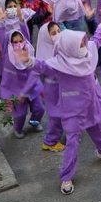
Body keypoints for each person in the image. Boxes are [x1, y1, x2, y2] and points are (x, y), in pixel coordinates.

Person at [21, 26, 101, 195]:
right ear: (70, 47)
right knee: (73, 141)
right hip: (73, 109)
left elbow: (96, 40)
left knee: (98, 129)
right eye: (80, 44)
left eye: (83, 42)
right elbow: (42, 66)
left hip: (91, 104)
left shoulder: (87, 55)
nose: (84, 46)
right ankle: (66, 176)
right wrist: (28, 60)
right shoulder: (60, 65)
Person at [0, 6, 44, 139]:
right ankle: (17, 129)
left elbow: (25, 32)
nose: (18, 44)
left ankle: (35, 122)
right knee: (20, 114)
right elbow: (2, 37)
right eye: (14, 42)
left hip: (31, 87)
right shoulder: (7, 51)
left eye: (20, 41)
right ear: (10, 43)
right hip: (15, 90)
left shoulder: (28, 49)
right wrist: (1, 22)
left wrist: (22, 20)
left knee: (39, 109)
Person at [32, 22, 65, 151]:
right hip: (53, 90)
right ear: (46, 37)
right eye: (53, 33)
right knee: (57, 115)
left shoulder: (58, 48)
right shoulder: (45, 58)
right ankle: (50, 142)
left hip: (60, 88)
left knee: (62, 112)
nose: (58, 35)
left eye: (59, 31)